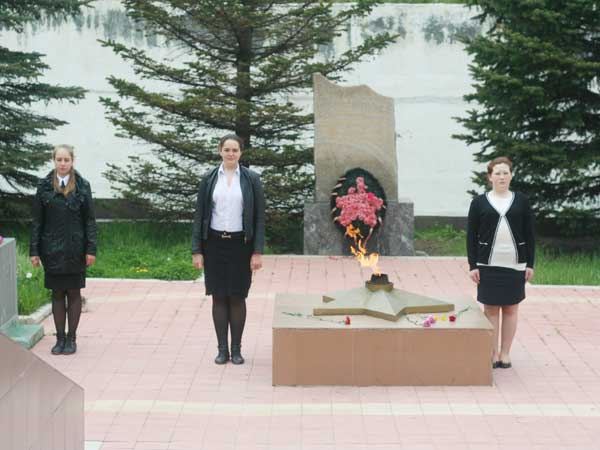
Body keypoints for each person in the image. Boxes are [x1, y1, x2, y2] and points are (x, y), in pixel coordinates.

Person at [192, 134, 265, 365]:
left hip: (241, 246)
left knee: (237, 296)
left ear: (241, 153)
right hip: (214, 244)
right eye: (227, 150)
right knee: (219, 296)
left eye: (235, 150)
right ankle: (222, 349)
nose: (231, 154)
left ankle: (236, 350)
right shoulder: (209, 178)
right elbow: (199, 216)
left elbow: (259, 218)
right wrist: (197, 250)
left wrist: (257, 251)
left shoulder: (252, 179)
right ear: (220, 151)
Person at [466, 156, 535, 369]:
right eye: (497, 173)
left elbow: (530, 234)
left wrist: (530, 264)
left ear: (511, 176)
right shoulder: (479, 202)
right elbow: (471, 236)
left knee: (511, 309)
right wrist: (473, 266)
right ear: (490, 177)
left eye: (506, 173)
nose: (502, 177)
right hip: (488, 264)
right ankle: (493, 353)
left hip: (515, 264)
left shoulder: (521, 201)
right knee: (491, 309)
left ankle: (505, 353)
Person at [30, 145, 97, 355]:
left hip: (76, 249)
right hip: (52, 250)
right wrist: (34, 251)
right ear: (54, 161)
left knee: (74, 293)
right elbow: (37, 221)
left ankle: (71, 339)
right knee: (57, 293)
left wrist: (91, 249)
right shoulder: (44, 187)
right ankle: (59, 339)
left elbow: (90, 221)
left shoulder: (83, 186)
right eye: (59, 159)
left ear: (72, 161)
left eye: (66, 160)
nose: (62, 163)